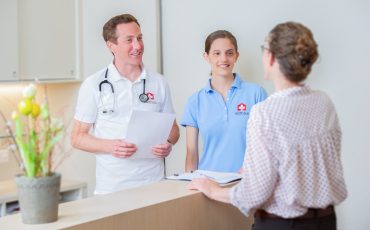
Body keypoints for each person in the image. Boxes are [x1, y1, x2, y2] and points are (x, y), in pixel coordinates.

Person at [188, 22, 347, 230]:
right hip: (326, 221)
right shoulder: (324, 103)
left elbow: (255, 193)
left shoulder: (264, 112)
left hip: (282, 223)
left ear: (271, 58)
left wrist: (212, 190)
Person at [71, 14, 179, 195]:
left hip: (155, 186)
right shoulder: (94, 85)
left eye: (140, 38)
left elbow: (174, 130)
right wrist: (111, 146)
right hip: (113, 189)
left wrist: (168, 143)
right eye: (129, 40)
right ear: (111, 45)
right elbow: (77, 138)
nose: (138, 46)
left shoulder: (159, 82)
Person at [181, 30, 267, 173]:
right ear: (206, 56)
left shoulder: (256, 94)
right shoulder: (195, 101)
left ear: (236, 56)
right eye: (217, 53)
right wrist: (189, 187)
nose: (224, 59)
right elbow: (191, 153)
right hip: (207, 185)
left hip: (248, 184)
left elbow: (267, 146)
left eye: (229, 53)